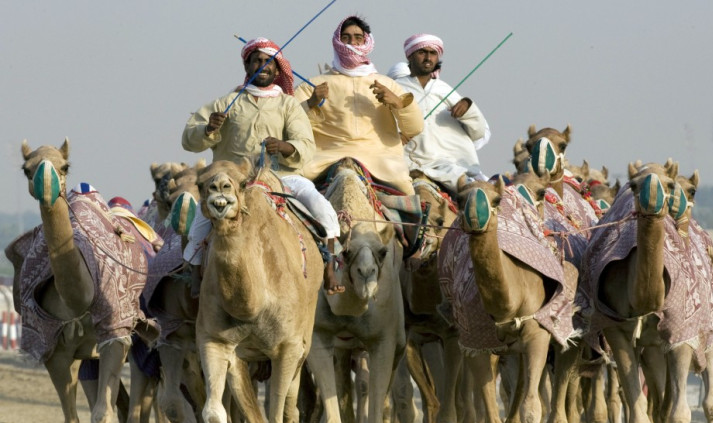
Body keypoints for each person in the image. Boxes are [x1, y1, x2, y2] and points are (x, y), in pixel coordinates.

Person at [181, 37, 343, 296]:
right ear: (247, 66)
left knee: (321, 208)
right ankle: (196, 276)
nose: (263, 65)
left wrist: (284, 146)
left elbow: (305, 143)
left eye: (269, 61)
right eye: (257, 60)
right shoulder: (225, 103)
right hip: (233, 181)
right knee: (201, 223)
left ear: (278, 70)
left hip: (282, 177)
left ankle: (330, 267)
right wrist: (208, 128)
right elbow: (189, 139)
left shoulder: (288, 105)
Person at [293, 15, 424, 195]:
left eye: (358, 38)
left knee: (410, 198)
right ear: (337, 42)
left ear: (366, 41)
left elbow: (415, 128)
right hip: (324, 160)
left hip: (380, 161)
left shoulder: (388, 84)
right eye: (346, 38)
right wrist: (310, 103)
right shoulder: (312, 85)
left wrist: (398, 103)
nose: (352, 43)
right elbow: (288, 125)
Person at [387, 34, 490, 194]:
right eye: (422, 52)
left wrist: (467, 108)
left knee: (475, 196)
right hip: (405, 164)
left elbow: (479, 133)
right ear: (410, 56)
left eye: (432, 53)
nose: (428, 58)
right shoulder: (395, 89)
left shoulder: (444, 89)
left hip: (448, 166)